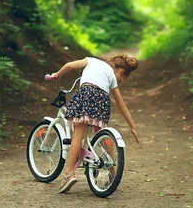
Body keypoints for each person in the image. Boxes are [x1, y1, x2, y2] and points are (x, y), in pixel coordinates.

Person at [49, 54, 140, 193]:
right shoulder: (112, 77)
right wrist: (132, 126)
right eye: (121, 80)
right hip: (102, 101)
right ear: (121, 71)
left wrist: (57, 75)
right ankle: (112, 172)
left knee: (78, 133)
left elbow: (68, 66)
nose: (119, 81)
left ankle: (68, 173)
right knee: (101, 134)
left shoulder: (91, 61)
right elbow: (122, 106)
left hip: (86, 94)